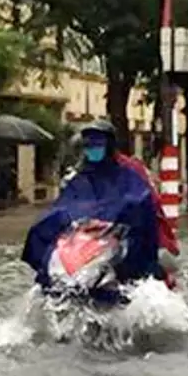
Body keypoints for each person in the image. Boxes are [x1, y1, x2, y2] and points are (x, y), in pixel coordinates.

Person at [22, 119, 164, 290]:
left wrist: (125, 211)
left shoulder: (129, 174)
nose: (92, 149)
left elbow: (141, 201)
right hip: (80, 235)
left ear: (109, 146)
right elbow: (65, 205)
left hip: (118, 234)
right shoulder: (77, 177)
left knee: (136, 258)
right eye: (88, 145)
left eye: (97, 144)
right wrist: (60, 220)